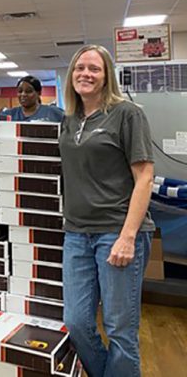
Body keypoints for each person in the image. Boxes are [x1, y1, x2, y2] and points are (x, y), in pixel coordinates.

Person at [59, 44, 155, 377]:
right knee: (76, 321)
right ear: (71, 75)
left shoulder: (127, 113)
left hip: (117, 232)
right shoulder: (68, 120)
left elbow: (144, 177)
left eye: (94, 68)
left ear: (107, 76)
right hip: (76, 234)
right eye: (79, 68)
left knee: (120, 329)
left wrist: (128, 236)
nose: (85, 74)